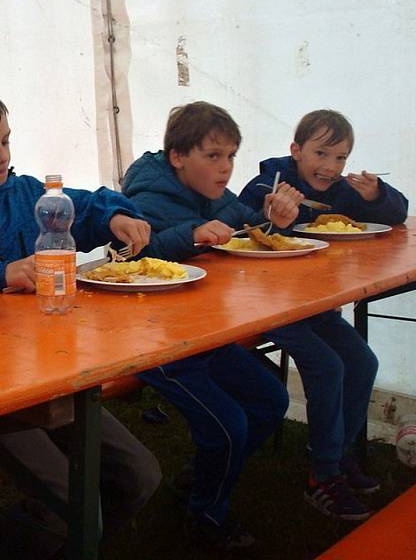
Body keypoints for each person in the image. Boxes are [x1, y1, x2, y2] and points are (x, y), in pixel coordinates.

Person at [0, 72, 162, 553]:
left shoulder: (24, 195)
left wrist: (116, 214)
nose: (2, 155)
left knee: (141, 475)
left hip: (44, 368)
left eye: (6, 141)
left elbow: (82, 203)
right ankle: (50, 533)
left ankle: (69, 535)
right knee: (74, 504)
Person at [122, 101, 294, 551]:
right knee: (229, 425)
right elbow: (137, 254)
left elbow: (235, 225)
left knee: (272, 399)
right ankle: (206, 514)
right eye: (214, 155)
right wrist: (193, 234)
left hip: (201, 331)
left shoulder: (209, 190)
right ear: (178, 156)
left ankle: (199, 479)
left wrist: (270, 220)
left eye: (232, 156)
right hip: (152, 342)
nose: (225, 167)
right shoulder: (148, 196)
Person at [237, 109, 409, 521]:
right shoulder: (269, 183)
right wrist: (272, 217)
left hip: (313, 303)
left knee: (362, 361)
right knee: (328, 367)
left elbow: (395, 214)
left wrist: (375, 196)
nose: (330, 167)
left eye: (341, 158)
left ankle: (335, 452)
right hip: (267, 305)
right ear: (296, 151)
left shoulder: (341, 190)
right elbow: (240, 229)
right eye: (321, 154)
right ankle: (323, 476)